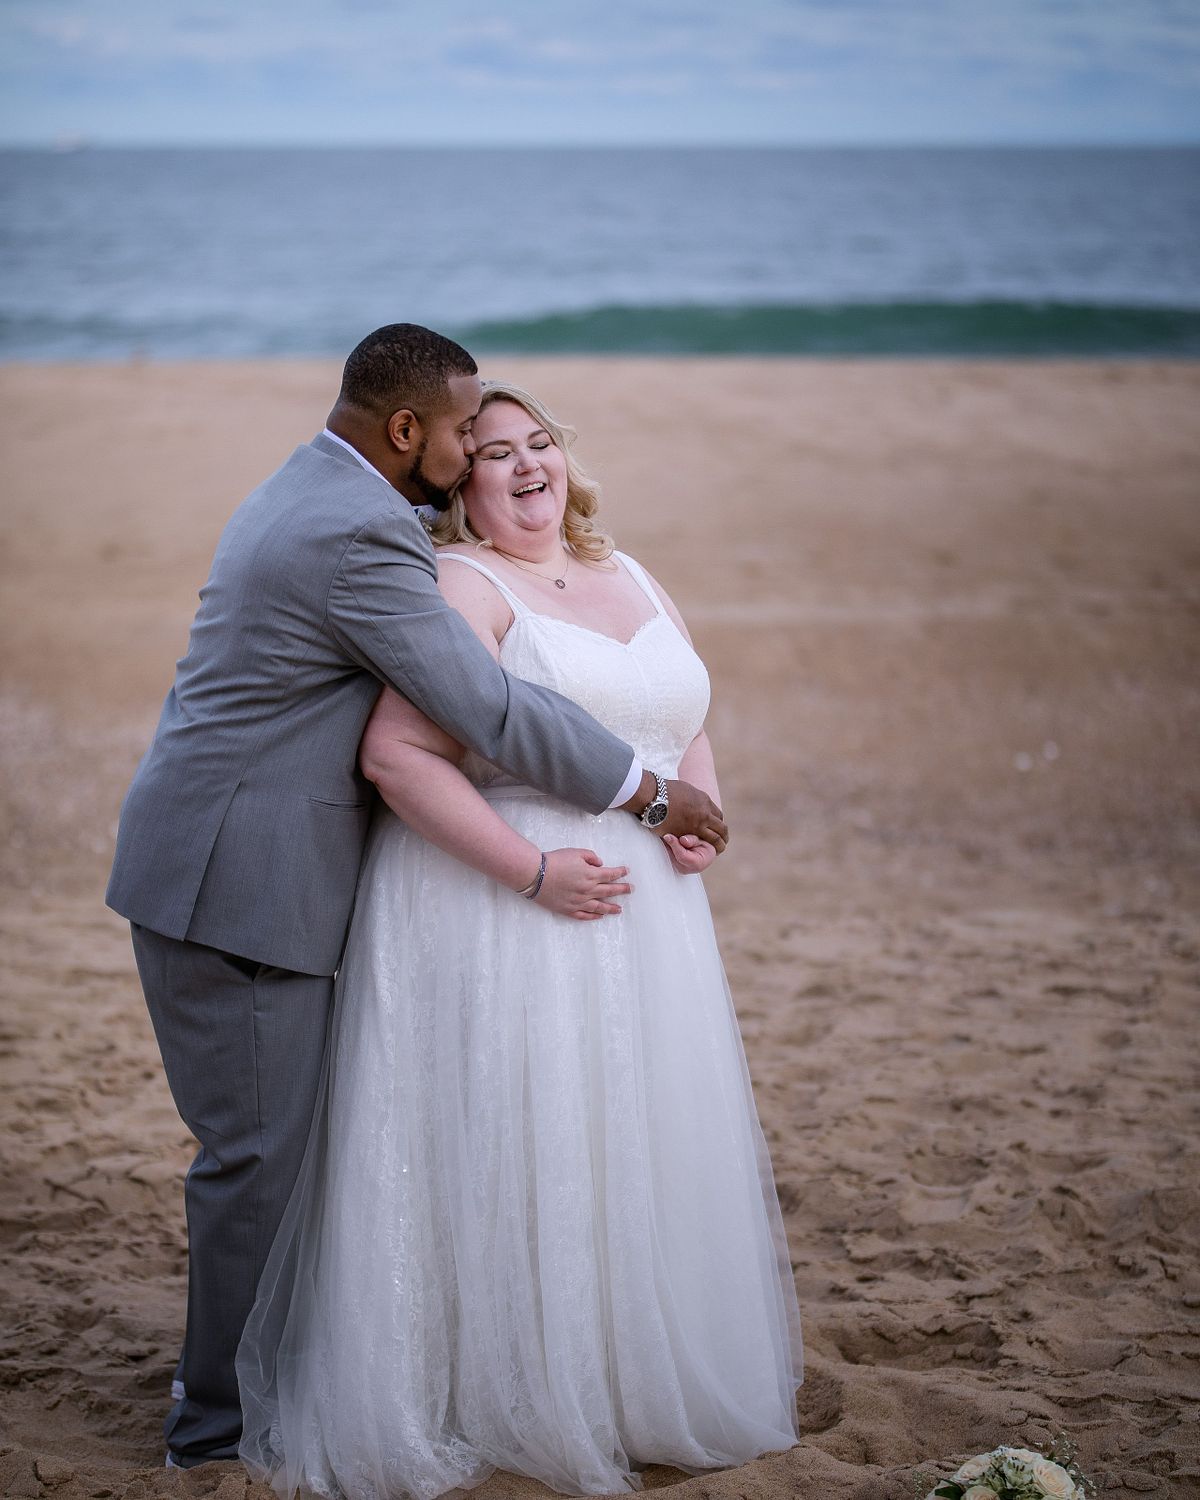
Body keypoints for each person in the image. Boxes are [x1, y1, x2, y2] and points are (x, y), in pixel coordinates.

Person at [105, 326, 727, 1467]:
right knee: (256, 1162)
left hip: (230, 856)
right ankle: (212, 1431)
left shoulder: (312, 485)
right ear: (409, 435)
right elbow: (482, 709)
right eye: (464, 433)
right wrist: (644, 792)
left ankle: (270, 1378)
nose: (484, 450)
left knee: (284, 1151)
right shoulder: (363, 539)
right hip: (237, 883)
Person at [237, 382, 803, 1497]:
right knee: (522, 1137)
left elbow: (680, 715)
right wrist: (533, 874)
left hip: (651, 916)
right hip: (505, 902)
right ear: (461, 487)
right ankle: (508, 1387)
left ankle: (623, 1374)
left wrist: (702, 807)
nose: (526, 465)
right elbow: (398, 757)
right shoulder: (461, 585)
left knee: (626, 1140)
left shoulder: (629, 571)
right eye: (494, 454)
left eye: (539, 442)